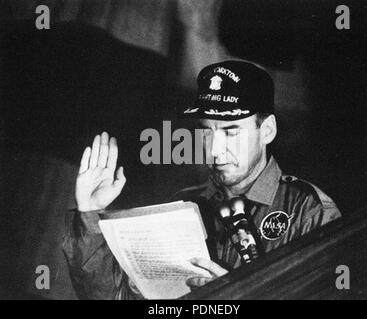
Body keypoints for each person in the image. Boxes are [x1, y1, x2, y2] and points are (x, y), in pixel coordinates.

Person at [63, 60, 341, 299]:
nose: (215, 149)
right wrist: (89, 213)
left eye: (231, 132)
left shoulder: (308, 211)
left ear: (266, 130)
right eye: (207, 132)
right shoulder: (182, 206)